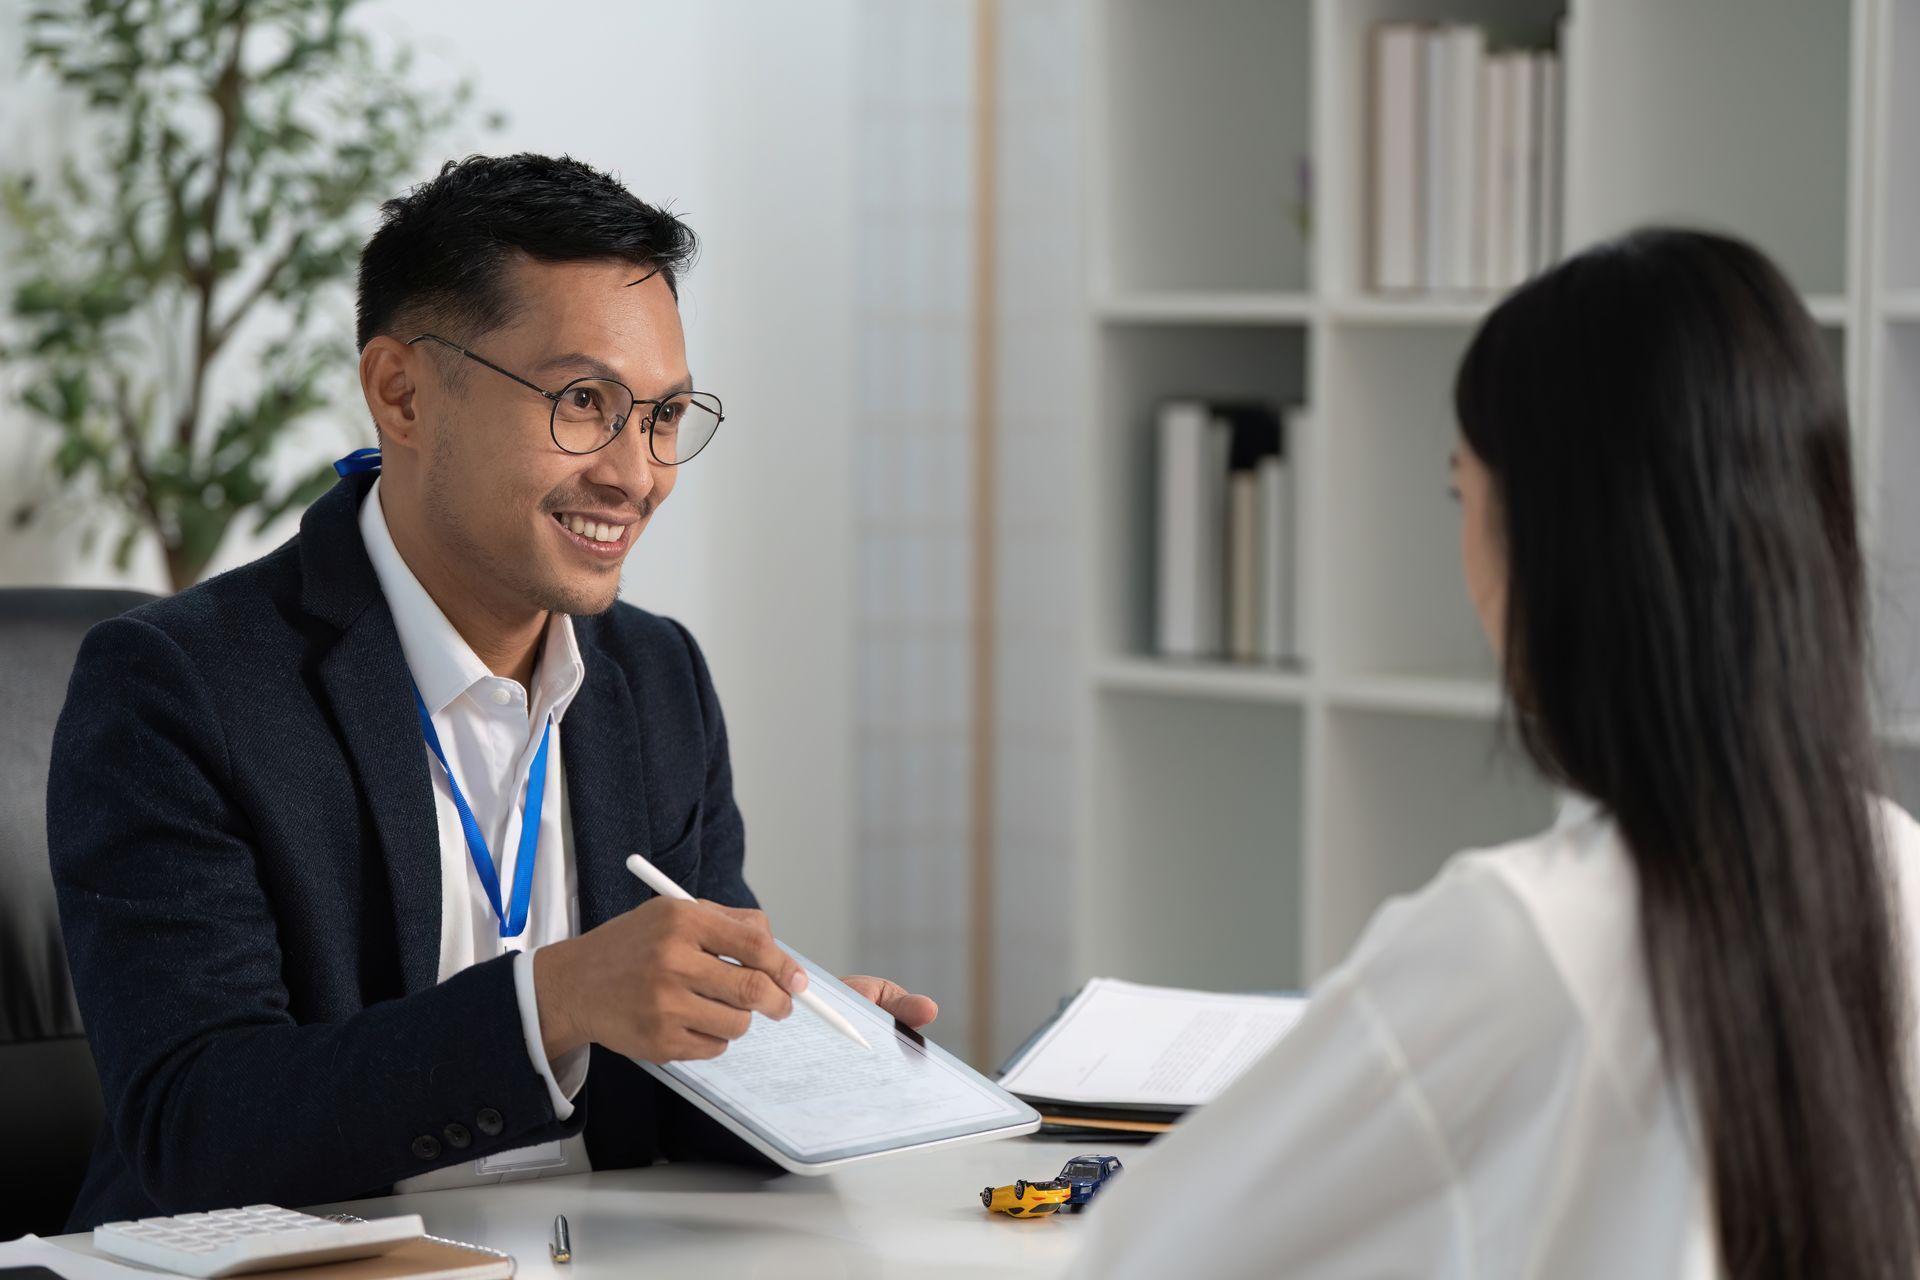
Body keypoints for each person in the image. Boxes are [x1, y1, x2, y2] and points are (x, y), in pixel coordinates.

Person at [48, 152, 936, 1229]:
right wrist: (551, 1001)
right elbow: (196, 1125)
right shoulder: (180, 686)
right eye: (581, 401)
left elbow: (662, 1104)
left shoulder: (658, 681)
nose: (635, 473)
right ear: (403, 392)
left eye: (661, 415)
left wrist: (795, 1050)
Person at [1070, 229, 1920, 1278]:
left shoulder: (1517, 937)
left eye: (1462, 494)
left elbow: (1141, 1255)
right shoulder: (1897, 869)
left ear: (1555, 539)